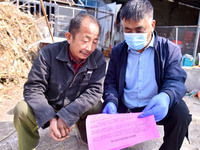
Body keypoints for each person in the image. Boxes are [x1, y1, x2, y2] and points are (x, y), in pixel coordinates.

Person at [102, 0, 192, 150]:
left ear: (152, 25)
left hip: (153, 108)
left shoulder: (170, 50)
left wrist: (166, 96)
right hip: (126, 107)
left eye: (139, 29)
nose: (133, 35)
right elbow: (110, 82)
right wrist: (111, 100)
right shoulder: (118, 51)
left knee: (181, 114)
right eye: (128, 30)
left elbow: (175, 80)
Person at [14, 14, 106, 150]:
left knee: (98, 107)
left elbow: (95, 91)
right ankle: (28, 146)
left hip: (75, 105)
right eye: (85, 40)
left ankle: (84, 132)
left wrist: (67, 115)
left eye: (94, 41)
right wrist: (51, 118)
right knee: (21, 110)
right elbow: (33, 88)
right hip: (48, 103)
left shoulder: (98, 58)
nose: (89, 48)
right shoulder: (47, 54)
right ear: (69, 37)